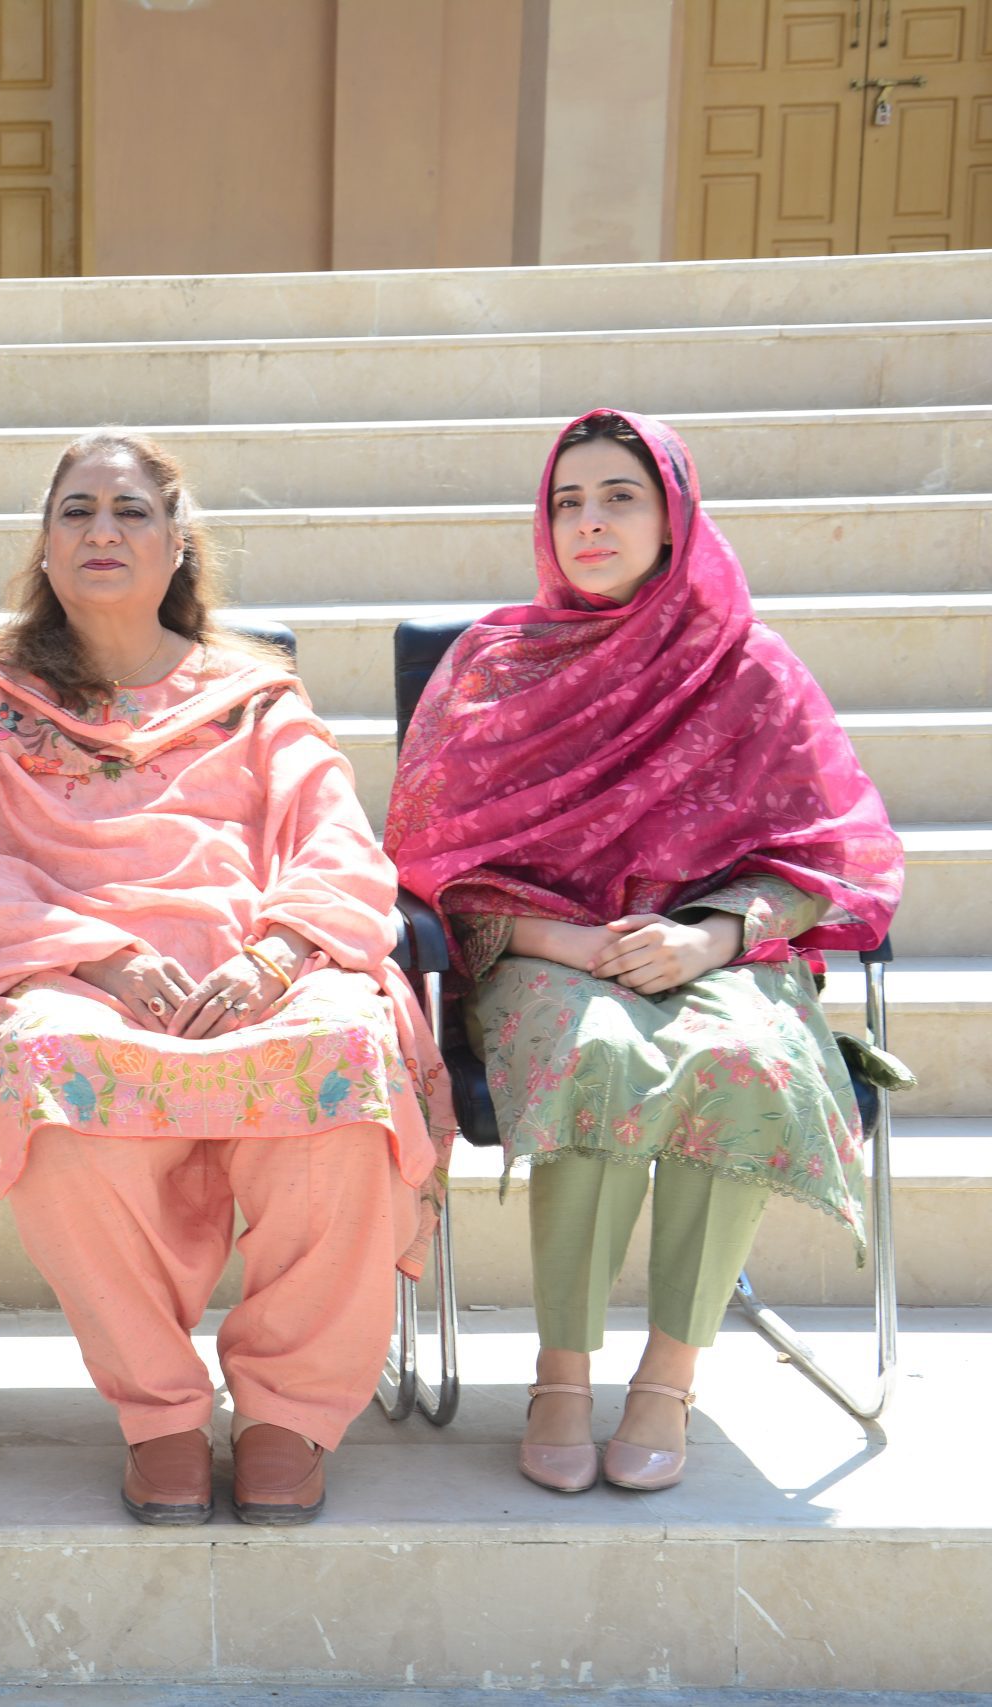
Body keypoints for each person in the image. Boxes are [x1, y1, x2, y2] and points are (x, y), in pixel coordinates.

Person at [0, 429, 452, 1527]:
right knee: (47, 1067)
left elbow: (338, 844)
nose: (101, 531)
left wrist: (276, 955)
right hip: (71, 967)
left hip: (262, 967)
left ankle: (290, 1407)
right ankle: (158, 1409)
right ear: (44, 545)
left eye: (130, 511)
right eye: (76, 511)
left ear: (177, 542)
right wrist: (98, 955)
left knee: (345, 1057)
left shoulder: (254, 695)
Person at [387, 407, 901, 1494]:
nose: (589, 521)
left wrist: (708, 937)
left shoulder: (748, 666)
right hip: (537, 946)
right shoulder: (492, 665)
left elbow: (828, 853)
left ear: (673, 518)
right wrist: (564, 941)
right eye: (567, 500)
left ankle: (670, 1375)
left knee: (740, 1065)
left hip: (720, 949)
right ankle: (563, 1376)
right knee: (602, 1057)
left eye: (619, 497)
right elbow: (427, 862)